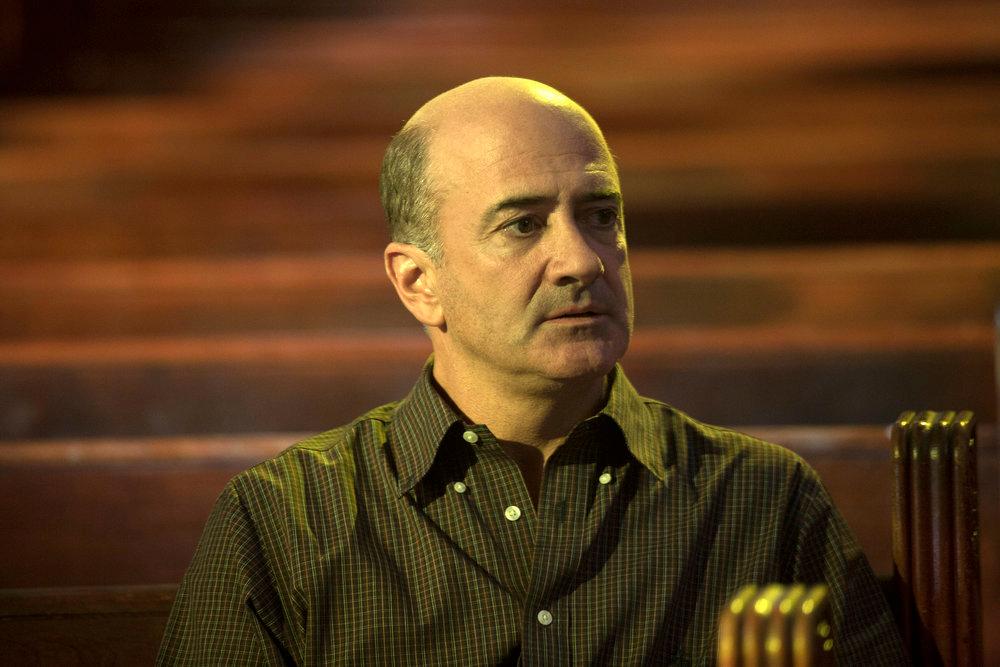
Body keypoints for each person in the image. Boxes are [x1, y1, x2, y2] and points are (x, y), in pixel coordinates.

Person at [158, 77, 905, 665]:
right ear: (419, 282)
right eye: (522, 224)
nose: (582, 259)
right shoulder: (284, 520)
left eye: (600, 215)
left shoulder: (762, 501)